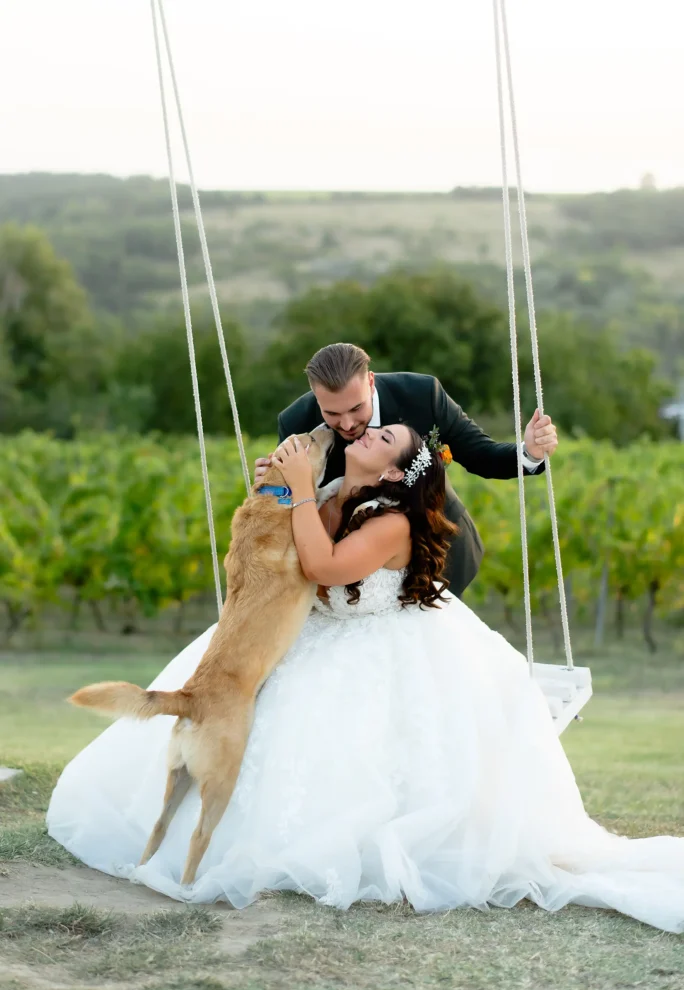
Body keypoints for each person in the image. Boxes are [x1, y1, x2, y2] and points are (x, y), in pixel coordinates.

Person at [47, 424, 684, 932]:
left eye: (383, 438)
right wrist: (276, 488)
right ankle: (175, 841)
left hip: (380, 650)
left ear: (389, 470)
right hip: (311, 638)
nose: (367, 433)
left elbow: (322, 568)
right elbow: (285, 549)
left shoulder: (390, 521)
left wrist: (297, 491)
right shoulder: (334, 495)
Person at [254, 343, 559, 597]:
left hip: (439, 555)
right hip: (346, 570)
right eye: (331, 413)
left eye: (356, 408)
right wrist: (272, 486)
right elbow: (293, 507)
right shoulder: (296, 423)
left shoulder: (422, 394)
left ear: (370, 381)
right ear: (315, 396)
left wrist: (530, 453)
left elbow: (482, 455)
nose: (347, 425)